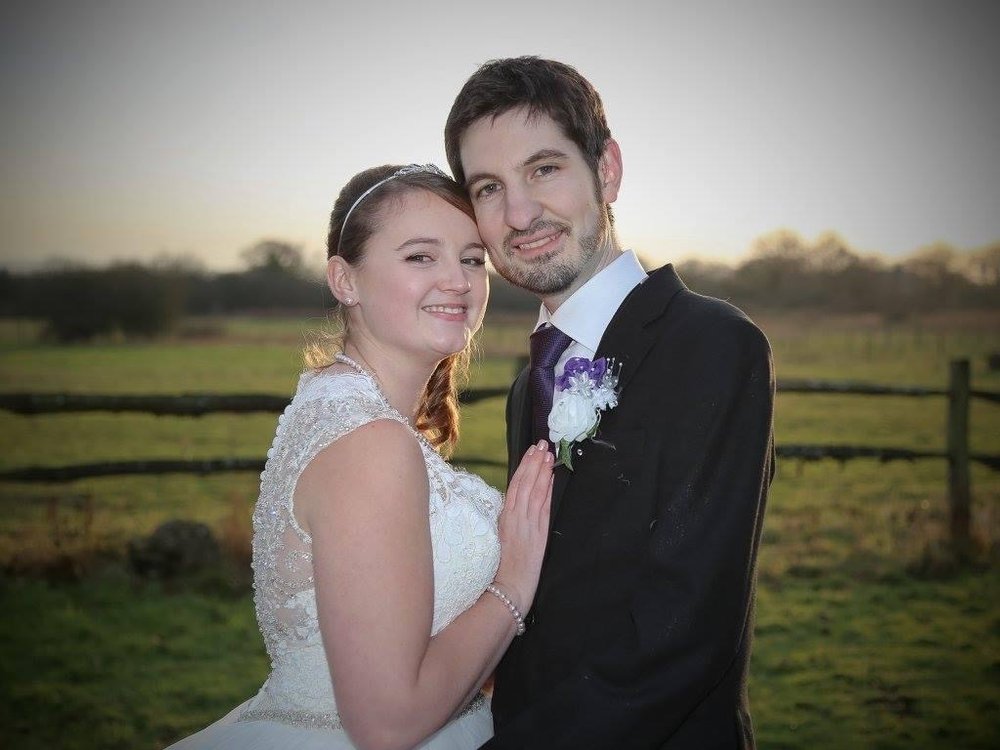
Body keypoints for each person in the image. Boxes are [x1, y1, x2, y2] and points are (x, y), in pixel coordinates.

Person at [444, 57, 776, 748]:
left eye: (544, 169)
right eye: (488, 187)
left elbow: (682, 631)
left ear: (608, 169)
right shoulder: (524, 385)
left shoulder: (712, 346)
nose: (520, 213)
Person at [166, 163, 554, 750]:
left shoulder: (340, 406)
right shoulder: (369, 441)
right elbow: (387, 724)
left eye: (472, 259)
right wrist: (515, 583)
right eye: (421, 257)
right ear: (345, 281)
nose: (458, 280)